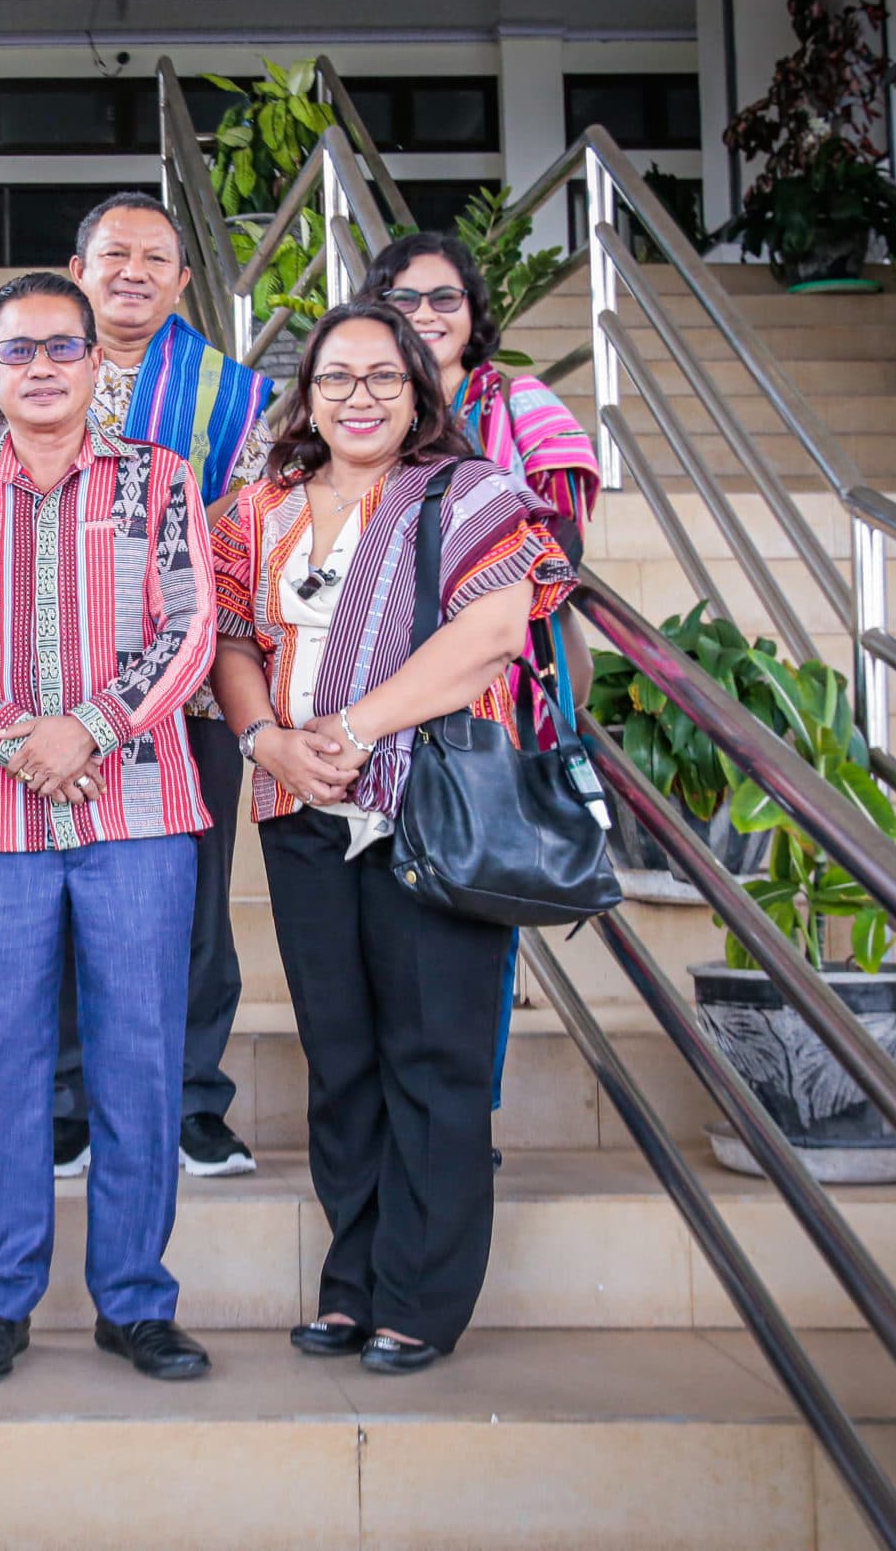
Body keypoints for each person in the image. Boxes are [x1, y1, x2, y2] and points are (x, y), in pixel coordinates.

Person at [210, 300, 575, 1375]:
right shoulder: (258, 511)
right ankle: (352, 1283)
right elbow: (233, 640)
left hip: (428, 806)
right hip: (301, 810)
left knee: (435, 1056)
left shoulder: (469, 496)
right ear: (307, 396)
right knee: (343, 1058)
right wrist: (269, 741)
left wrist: (355, 728)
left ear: (420, 393)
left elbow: (497, 632)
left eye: (381, 378)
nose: (357, 397)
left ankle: (421, 1296)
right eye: (335, 379)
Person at [0, 271, 218, 1387]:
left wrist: (86, 729)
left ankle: (135, 1301)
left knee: (138, 1059)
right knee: (2, 1062)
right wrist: (14, 740)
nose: (40, 368)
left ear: (95, 365)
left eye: (60, 348)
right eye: (18, 351)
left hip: (139, 813)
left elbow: (191, 630)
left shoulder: (161, 484)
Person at [55, 192, 279, 1181]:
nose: (132, 271)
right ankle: (68, 1098)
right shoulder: (30, 378)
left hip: (189, 692)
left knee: (192, 897)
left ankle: (192, 1100)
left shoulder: (240, 400)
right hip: (55, 699)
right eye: (113, 255)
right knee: (57, 889)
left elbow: (251, 538)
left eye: (155, 257)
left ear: (184, 281)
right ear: (78, 272)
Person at [360, 232, 601, 1123]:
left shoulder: (521, 403)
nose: (425, 317)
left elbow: (558, 539)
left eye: (443, 299)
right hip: (373, 689)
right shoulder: (362, 403)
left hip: (491, 686)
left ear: (474, 313)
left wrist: (459, 588)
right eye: (406, 300)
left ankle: (469, 1112)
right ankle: (401, 1104)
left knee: (472, 887)